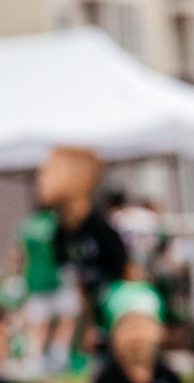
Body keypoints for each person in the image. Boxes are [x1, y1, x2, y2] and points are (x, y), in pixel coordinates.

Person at [42, 146, 129, 371]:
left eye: (51, 171)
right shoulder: (60, 232)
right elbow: (73, 277)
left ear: (82, 180)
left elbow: (128, 271)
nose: (41, 178)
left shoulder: (101, 228)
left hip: (114, 310)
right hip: (91, 310)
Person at [13, 196, 72, 373]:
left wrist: (17, 277)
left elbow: (18, 255)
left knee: (39, 326)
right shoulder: (57, 224)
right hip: (57, 279)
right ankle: (58, 359)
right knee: (65, 321)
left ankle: (36, 361)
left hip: (34, 281)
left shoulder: (26, 226)